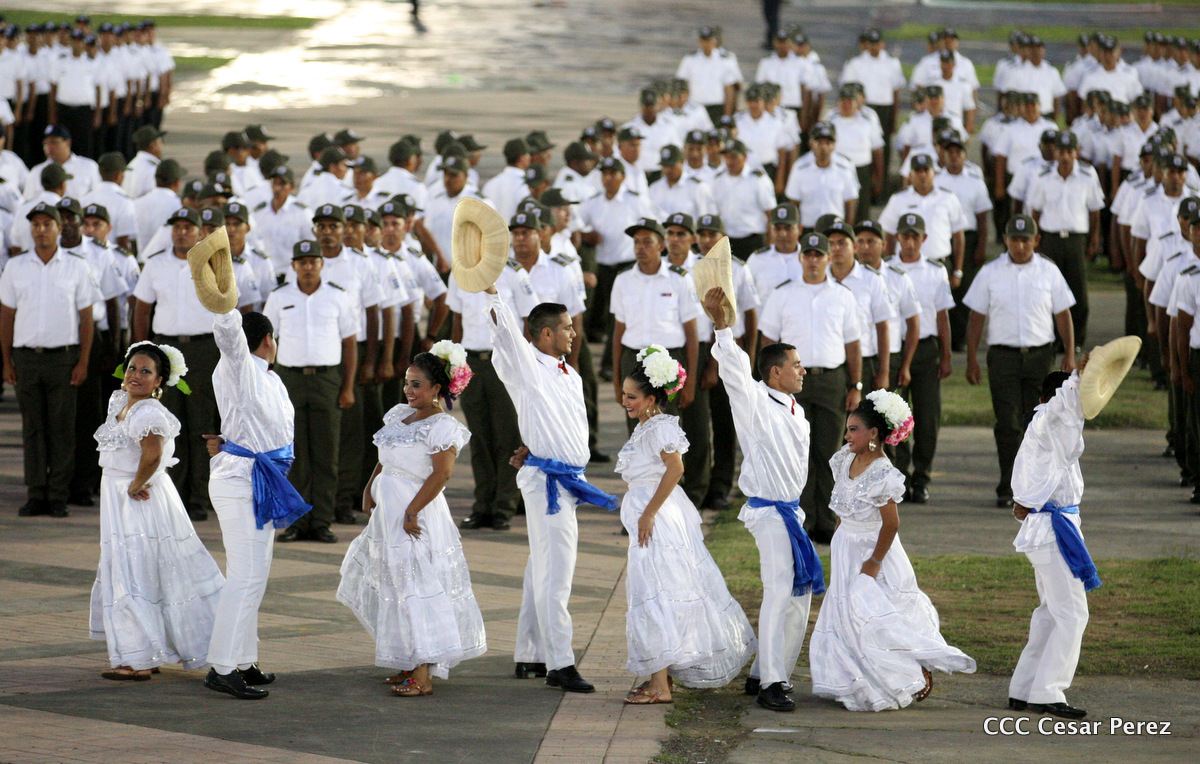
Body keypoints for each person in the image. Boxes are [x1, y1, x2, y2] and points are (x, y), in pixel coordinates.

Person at [485, 279, 619, 693]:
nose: (574, 332)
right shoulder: (527, 366)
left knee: (540, 567)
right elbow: (507, 336)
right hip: (548, 485)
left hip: (569, 481)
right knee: (556, 575)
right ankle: (560, 663)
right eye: (566, 327)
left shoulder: (570, 374)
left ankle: (530, 652)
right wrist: (492, 294)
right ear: (545, 334)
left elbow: (559, 426)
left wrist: (535, 443)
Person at [809, 391, 976, 711]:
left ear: (873, 433)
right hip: (845, 548)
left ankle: (908, 672)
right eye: (847, 429)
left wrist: (874, 562)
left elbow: (891, 523)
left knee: (875, 615)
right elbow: (842, 505)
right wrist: (840, 536)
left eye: (854, 430)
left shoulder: (883, 473)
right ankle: (858, 680)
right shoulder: (843, 459)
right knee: (847, 616)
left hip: (873, 551)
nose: (847, 436)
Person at [193, 240, 309, 697]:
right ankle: (222, 667)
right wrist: (226, 304)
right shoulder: (239, 366)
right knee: (244, 575)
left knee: (256, 574)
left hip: (265, 480)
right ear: (267, 340)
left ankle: (244, 659)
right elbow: (230, 338)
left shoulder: (270, 378)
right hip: (241, 480)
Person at [338, 348, 486, 697]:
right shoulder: (399, 415)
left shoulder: (443, 427)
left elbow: (441, 474)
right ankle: (408, 660)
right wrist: (369, 488)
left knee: (416, 587)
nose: (408, 390)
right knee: (396, 585)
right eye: (407, 383)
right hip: (389, 514)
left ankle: (423, 674)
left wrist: (411, 511)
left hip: (415, 516)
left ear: (437, 389)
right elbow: (385, 457)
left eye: (417, 385)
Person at [704, 287, 821, 713]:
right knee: (778, 591)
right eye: (796, 365)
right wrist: (722, 326)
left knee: (799, 596)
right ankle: (772, 683)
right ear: (775, 372)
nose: (803, 370)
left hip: (791, 512)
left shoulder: (796, 409)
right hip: (769, 512)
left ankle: (766, 672)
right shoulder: (754, 400)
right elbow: (735, 369)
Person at [616, 349, 756, 704]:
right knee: (655, 589)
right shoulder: (646, 425)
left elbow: (676, 469)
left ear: (651, 399)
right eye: (624, 394)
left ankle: (660, 685)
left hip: (659, 517)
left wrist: (648, 513)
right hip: (652, 512)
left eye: (632, 397)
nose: (625, 401)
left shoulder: (660, 427)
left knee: (656, 590)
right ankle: (660, 677)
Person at [89, 342, 224, 681]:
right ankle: (146, 652)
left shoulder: (149, 412)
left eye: (146, 371)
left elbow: (152, 453)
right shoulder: (121, 402)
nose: (136, 375)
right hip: (119, 495)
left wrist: (136, 484)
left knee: (136, 570)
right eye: (132, 368)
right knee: (136, 570)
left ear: (159, 380)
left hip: (139, 499)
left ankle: (137, 659)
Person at [964, 215, 1076, 507]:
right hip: (1003, 357)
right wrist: (972, 358)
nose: (1020, 245)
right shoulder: (990, 272)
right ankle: (1009, 486)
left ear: (1036, 240)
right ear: (1005, 240)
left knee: (1039, 424)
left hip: (1040, 356)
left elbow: (1063, 314)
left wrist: (1070, 352)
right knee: (1007, 424)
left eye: (1026, 240)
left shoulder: (1049, 271)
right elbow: (976, 317)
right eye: (1015, 239)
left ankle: (1037, 487)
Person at [1008, 362, 1099, 721]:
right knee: (1073, 614)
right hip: (1052, 533)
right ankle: (1047, 692)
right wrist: (1080, 376)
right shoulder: (1051, 419)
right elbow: (1067, 404)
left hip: (1047, 531)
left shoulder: (1043, 426)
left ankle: (1024, 687)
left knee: (1051, 613)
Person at [759, 231, 862, 543]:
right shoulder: (783, 294)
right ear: (800, 257)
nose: (814, 260)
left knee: (829, 453)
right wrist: (770, 383)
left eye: (819, 255)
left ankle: (827, 522)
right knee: (796, 453)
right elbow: (768, 341)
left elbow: (853, 344)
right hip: (793, 382)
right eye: (809, 254)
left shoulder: (843, 295)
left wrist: (855, 385)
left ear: (829, 258)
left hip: (831, 380)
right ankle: (802, 520)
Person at [2, 201, 101, 518]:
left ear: (59, 228)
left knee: (61, 429)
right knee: (33, 429)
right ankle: (36, 493)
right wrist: (6, 361)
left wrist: (83, 361)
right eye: (36, 225)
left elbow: (86, 319)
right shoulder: (16, 266)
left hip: (63, 358)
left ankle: (58, 494)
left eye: (47, 224)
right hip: (27, 358)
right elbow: (6, 316)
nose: (41, 230)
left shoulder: (76, 266)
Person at [267, 241, 360, 543]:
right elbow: (267, 342)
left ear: (322, 264)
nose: (307, 267)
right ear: (293, 266)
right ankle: (297, 521)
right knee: (293, 454)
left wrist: (347, 387)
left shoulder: (338, 296)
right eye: (302, 262)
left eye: (313, 261)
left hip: (326, 380)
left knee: (326, 453)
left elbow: (349, 343)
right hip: (290, 379)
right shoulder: (279, 297)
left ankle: (321, 521)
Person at [888, 214, 954, 502]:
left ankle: (922, 476)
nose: (910, 241)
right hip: (896, 347)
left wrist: (946, 354)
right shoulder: (887, 269)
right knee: (896, 418)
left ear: (924, 239)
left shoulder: (936, 271)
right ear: (898, 238)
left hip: (926, 350)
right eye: (905, 236)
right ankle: (900, 475)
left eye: (915, 236)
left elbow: (942, 316)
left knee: (927, 419)